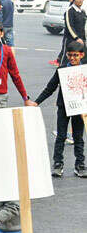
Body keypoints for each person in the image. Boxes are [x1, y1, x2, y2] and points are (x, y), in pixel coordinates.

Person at [29, 41, 87, 178]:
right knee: (61, 136)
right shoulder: (61, 70)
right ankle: (58, 164)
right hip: (63, 107)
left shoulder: (84, 71)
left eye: (76, 55)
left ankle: (80, 165)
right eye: (70, 55)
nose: (72, 58)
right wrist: (37, 102)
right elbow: (50, 88)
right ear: (66, 55)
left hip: (79, 108)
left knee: (78, 137)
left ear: (82, 55)